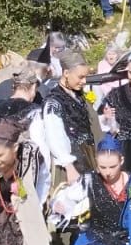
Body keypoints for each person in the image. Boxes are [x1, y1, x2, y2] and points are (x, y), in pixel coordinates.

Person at [44, 51, 103, 186]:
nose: (84, 81)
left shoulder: (78, 95)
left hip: (89, 154)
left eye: (85, 77)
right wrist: (69, 166)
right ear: (66, 73)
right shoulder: (54, 102)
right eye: (80, 77)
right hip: (71, 161)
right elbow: (54, 136)